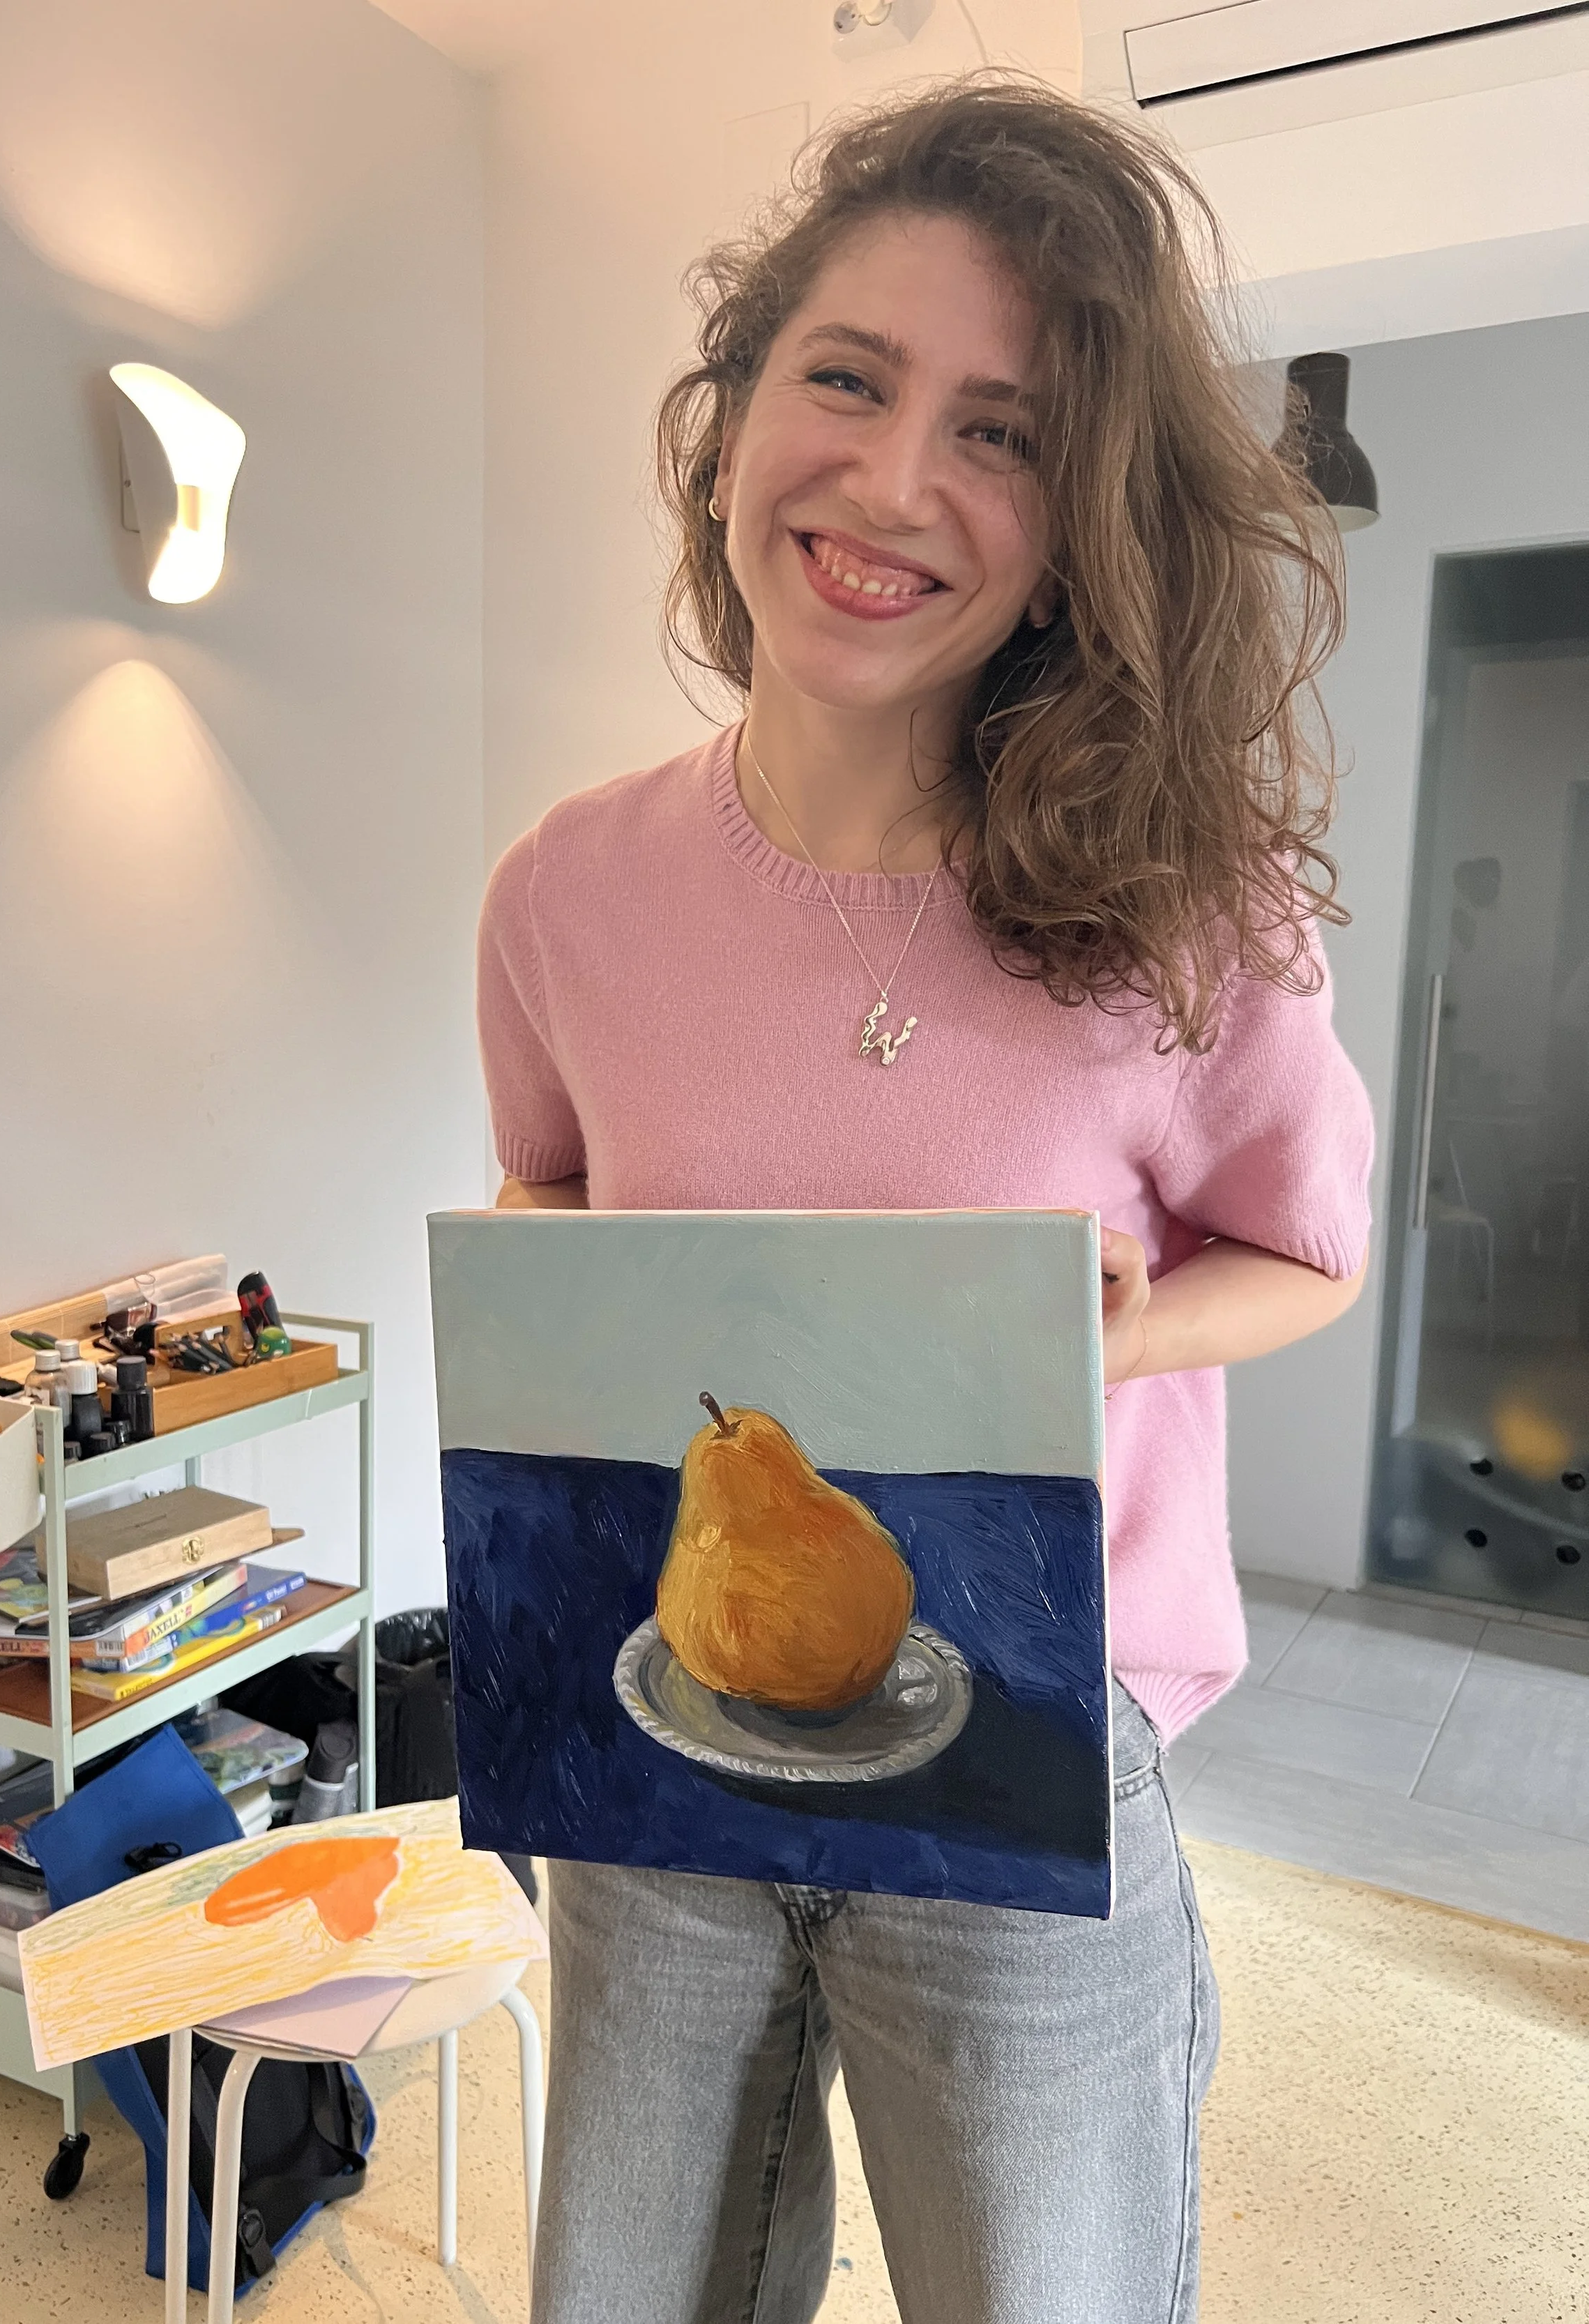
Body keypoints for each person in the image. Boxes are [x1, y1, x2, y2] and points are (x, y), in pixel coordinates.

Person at [476, 75, 1374, 2324]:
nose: (890, 483)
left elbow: (1303, 1248)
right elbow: (546, 1179)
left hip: (1031, 1778)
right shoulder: (566, 890)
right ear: (732, 418)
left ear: (1074, 525)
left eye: (998, 432)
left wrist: (1130, 1325)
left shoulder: (1193, 897)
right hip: (657, 1751)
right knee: (633, 2290)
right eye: (847, 380)